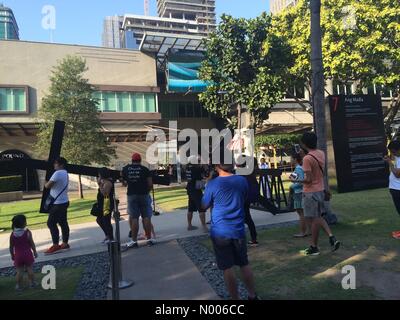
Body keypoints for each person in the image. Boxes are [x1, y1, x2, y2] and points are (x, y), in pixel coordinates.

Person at [202, 162, 260, 300]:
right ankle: (252, 295)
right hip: (238, 228)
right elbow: (245, 197)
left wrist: (209, 183)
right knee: (243, 263)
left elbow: (204, 205)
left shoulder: (213, 184)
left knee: (228, 267)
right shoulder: (241, 180)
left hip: (220, 230)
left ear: (216, 165)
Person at [299, 132, 340, 256]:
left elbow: (308, 179)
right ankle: (328, 238)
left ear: (304, 144)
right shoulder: (321, 153)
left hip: (310, 192)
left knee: (312, 220)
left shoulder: (307, 158)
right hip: (320, 190)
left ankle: (314, 247)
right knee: (317, 218)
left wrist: (295, 179)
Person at [122, 153, 154, 248]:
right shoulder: (145, 169)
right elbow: (150, 184)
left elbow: (124, 183)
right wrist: (147, 191)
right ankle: (149, 239)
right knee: (146, 217)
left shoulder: (126, 169)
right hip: (144, 195)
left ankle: (134, 241)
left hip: (132, 195)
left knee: (134, 218)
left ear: (132, 160)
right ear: (140, 161)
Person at [44, 157, 70, 255]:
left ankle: (55, 245)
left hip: (58, 203)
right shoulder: (65, 173)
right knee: (63, 222)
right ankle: (65, 243)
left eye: (56, 163)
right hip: (64, 201)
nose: (54, 165)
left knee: (51, 223)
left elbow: (48, 186)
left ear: (61, 165)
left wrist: (45, 183)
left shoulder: (58, 173)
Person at [9, 215, 38, 291]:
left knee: (19, 271)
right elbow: (32, 243)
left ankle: (18, 286)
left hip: (18, 255)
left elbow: (11, 247)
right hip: (27, 254)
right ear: (24, 223)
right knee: (30, 269)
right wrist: (35, 251)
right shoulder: (27, 232)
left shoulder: (12, 235)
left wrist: (12, 255)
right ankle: (32, 283)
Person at [236, 156, 259, 247]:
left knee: (242, 219)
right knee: (247, 219)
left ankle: (242, 240)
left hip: (242, 199)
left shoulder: (240, 175)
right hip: (246, 199)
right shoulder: (249, 173)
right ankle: (253, 238)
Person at [289, 152, 310, 238]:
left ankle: (303, 232)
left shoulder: (298, 169)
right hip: (301, 192)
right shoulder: (298, 168)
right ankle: (308, 230)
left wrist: (291, 186)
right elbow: (293, 178)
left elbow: (301, 182)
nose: (290, 160)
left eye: (291, 158)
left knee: (301, 213)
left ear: (295, 159)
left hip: (298, 193)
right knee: (303, 213)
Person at [186, 155, 208, 232]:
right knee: (201, 209)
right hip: (196, 190)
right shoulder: (196, 169)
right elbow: (205, 168)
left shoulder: (188, 168)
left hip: (190, 189)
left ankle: (189, 225)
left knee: (190, 208)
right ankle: (204, 227)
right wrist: (202, 159)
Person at [383, 140, 400, 239]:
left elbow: (397, 174)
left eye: (393, 151)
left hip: (398, 190)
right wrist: (389, 159)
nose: (392, 153)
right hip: (395, 189)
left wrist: (389, 162)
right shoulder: (398, 157)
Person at [96, 168, 114, 243]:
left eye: (99, 174)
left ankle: (111, 238)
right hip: (102, 203)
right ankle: (107, 235)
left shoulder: (108, 183)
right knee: (99, 219)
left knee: (106, 220)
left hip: (107, 203)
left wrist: (100, 185)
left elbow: (105, 194)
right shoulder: (104, 181)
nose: (98, 176)